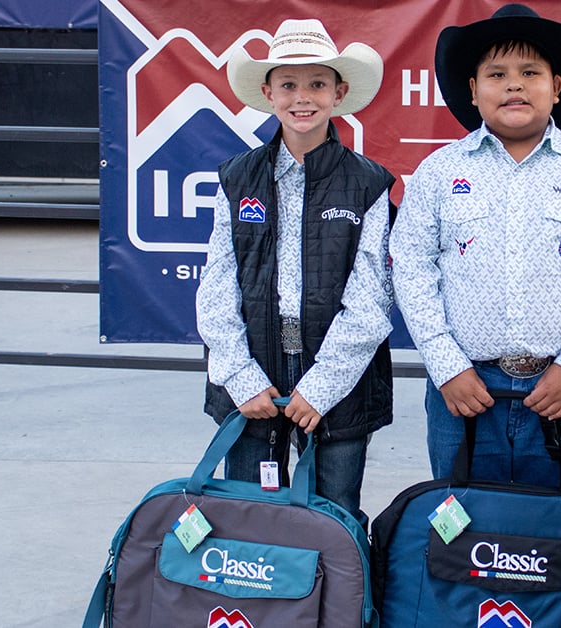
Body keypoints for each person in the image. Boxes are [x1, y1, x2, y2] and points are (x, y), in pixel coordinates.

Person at [390, 4, 561, 490]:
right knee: (462, 529)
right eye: (497, 73)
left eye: (531, 72)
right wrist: (446, 365)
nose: (514, 85)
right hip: (464, 389)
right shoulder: (440, 173)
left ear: (557, 86)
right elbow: (413, 270)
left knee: (556, 535)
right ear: (472, 89)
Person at [196, 18, 395, 526]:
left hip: (339, 372)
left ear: (339, 92)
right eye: (288, 84)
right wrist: (240, 376)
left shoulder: (368, 184)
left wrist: (322, 385)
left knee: (335, 512)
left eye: (317, 84)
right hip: (254, 367)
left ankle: (336, 606)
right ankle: (254, 606)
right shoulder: (237, 177)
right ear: (267, 93)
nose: (302, 97)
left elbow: (372, 296)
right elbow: (217, 283)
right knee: (248, 510)